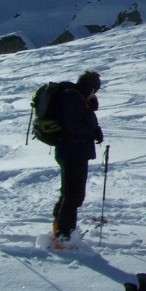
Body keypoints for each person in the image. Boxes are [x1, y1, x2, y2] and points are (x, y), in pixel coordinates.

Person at [51, 70, 103, 247]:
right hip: (72, 151)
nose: (94, 94)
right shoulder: (73, 98)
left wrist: (94, 129)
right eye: (94, 90)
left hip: (74, 151)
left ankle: (59, 228)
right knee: (73, 195)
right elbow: (73, 126)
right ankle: (63, 235)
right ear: (89, 87)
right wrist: (91, 130)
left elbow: (78, 122)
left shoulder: (78, 98)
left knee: (69, 192)